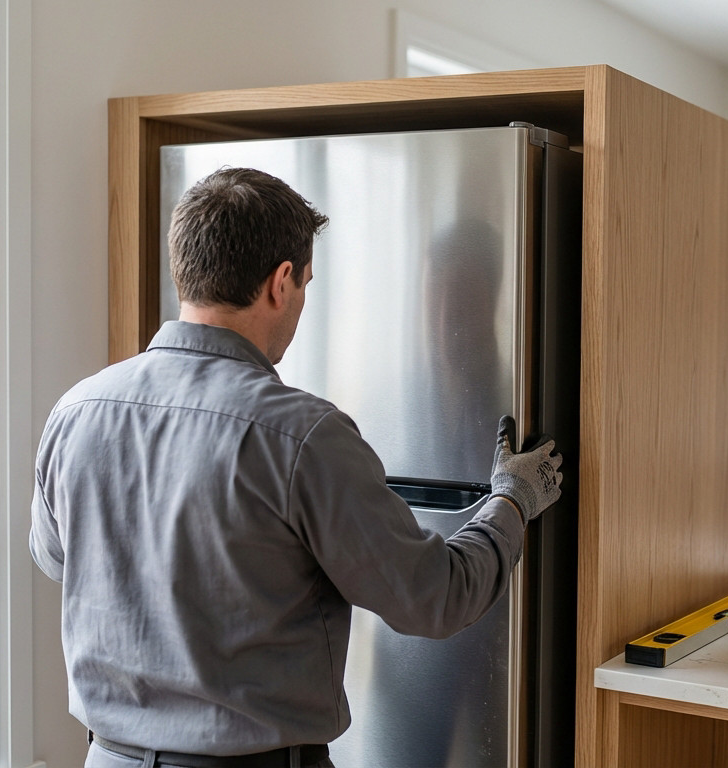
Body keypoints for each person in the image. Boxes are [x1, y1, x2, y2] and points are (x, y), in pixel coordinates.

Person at [30, 167, 563, 768]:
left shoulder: (75, 411)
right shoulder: (303, 437)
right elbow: (435, 597)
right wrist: (512, 499)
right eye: (305, 284)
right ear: (281, 282)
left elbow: (56, 557)